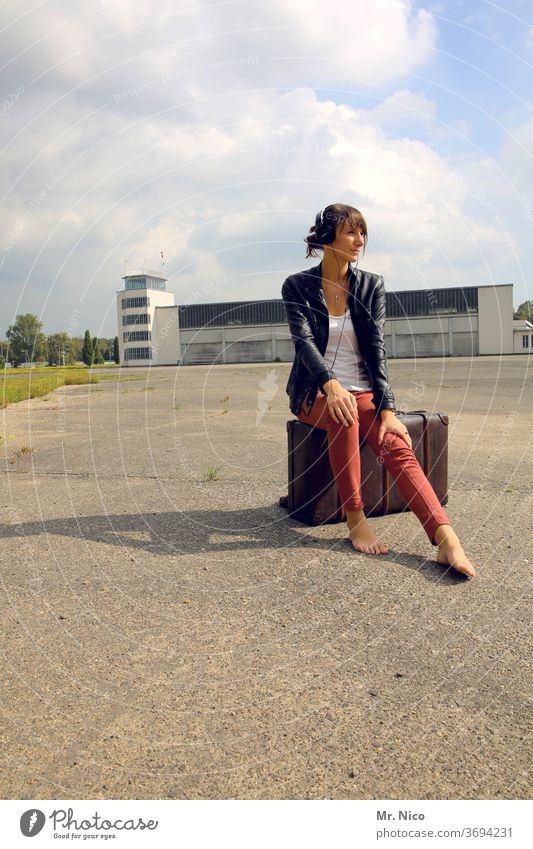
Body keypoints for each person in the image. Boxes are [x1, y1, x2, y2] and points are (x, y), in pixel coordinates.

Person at [281, 203, 476, 579]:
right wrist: (331, 384)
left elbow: (376, 347)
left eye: (363, 232)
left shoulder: (371, 285)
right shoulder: (297, 286)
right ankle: (355, 519)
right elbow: (303, 343)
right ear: (327, 238)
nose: (360, 241)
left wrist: (387, 408)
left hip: (364, 391)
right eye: (351, 232)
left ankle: (445, 537)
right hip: (314, 392)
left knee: (395, 442)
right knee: (344, 411)